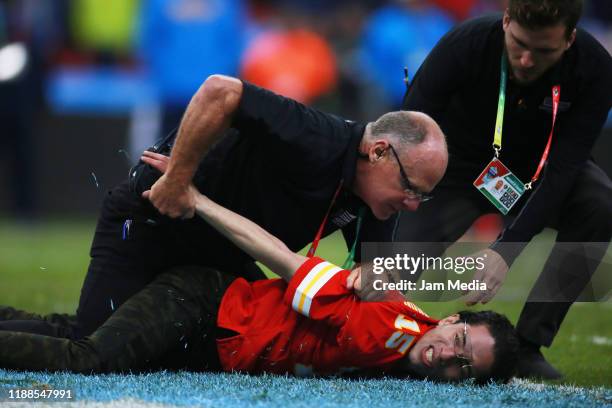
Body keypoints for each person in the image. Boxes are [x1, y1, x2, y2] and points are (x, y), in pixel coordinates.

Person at [0, 152, 517, 383]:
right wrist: (199, 201)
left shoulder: (409, 339)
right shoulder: (386, 326)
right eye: (462, 345)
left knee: (76, 332)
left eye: (465, 369)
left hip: (217, 335)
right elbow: (284, 260)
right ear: (451, 321)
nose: (450, 359)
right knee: (91, 359)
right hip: (204, 308)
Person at [16, 75, 446, 342]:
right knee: (90, 340)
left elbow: (383, 286)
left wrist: (380, 277)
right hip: (153, 218)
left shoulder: (375, 200)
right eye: (411, 187)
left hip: (219, 252)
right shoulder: (319, 136)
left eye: (422, 196)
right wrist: (178, 179)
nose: (412, 203)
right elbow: (220, 91)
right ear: (378, 152)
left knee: (245, 338)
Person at [397, 0, 612, 379]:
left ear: (569, 39)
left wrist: (506, 251)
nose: (527, 60)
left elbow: (565, 169)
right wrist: (403, 193)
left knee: (599, 203)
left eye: (543, 50)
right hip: (455, 168)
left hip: (540, 173)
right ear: (506, 21)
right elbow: (410, 122)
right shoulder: (465, 44)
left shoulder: (594, 67)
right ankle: (384, 330)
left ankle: (528, 345)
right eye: (519, 45)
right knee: (394, 259)